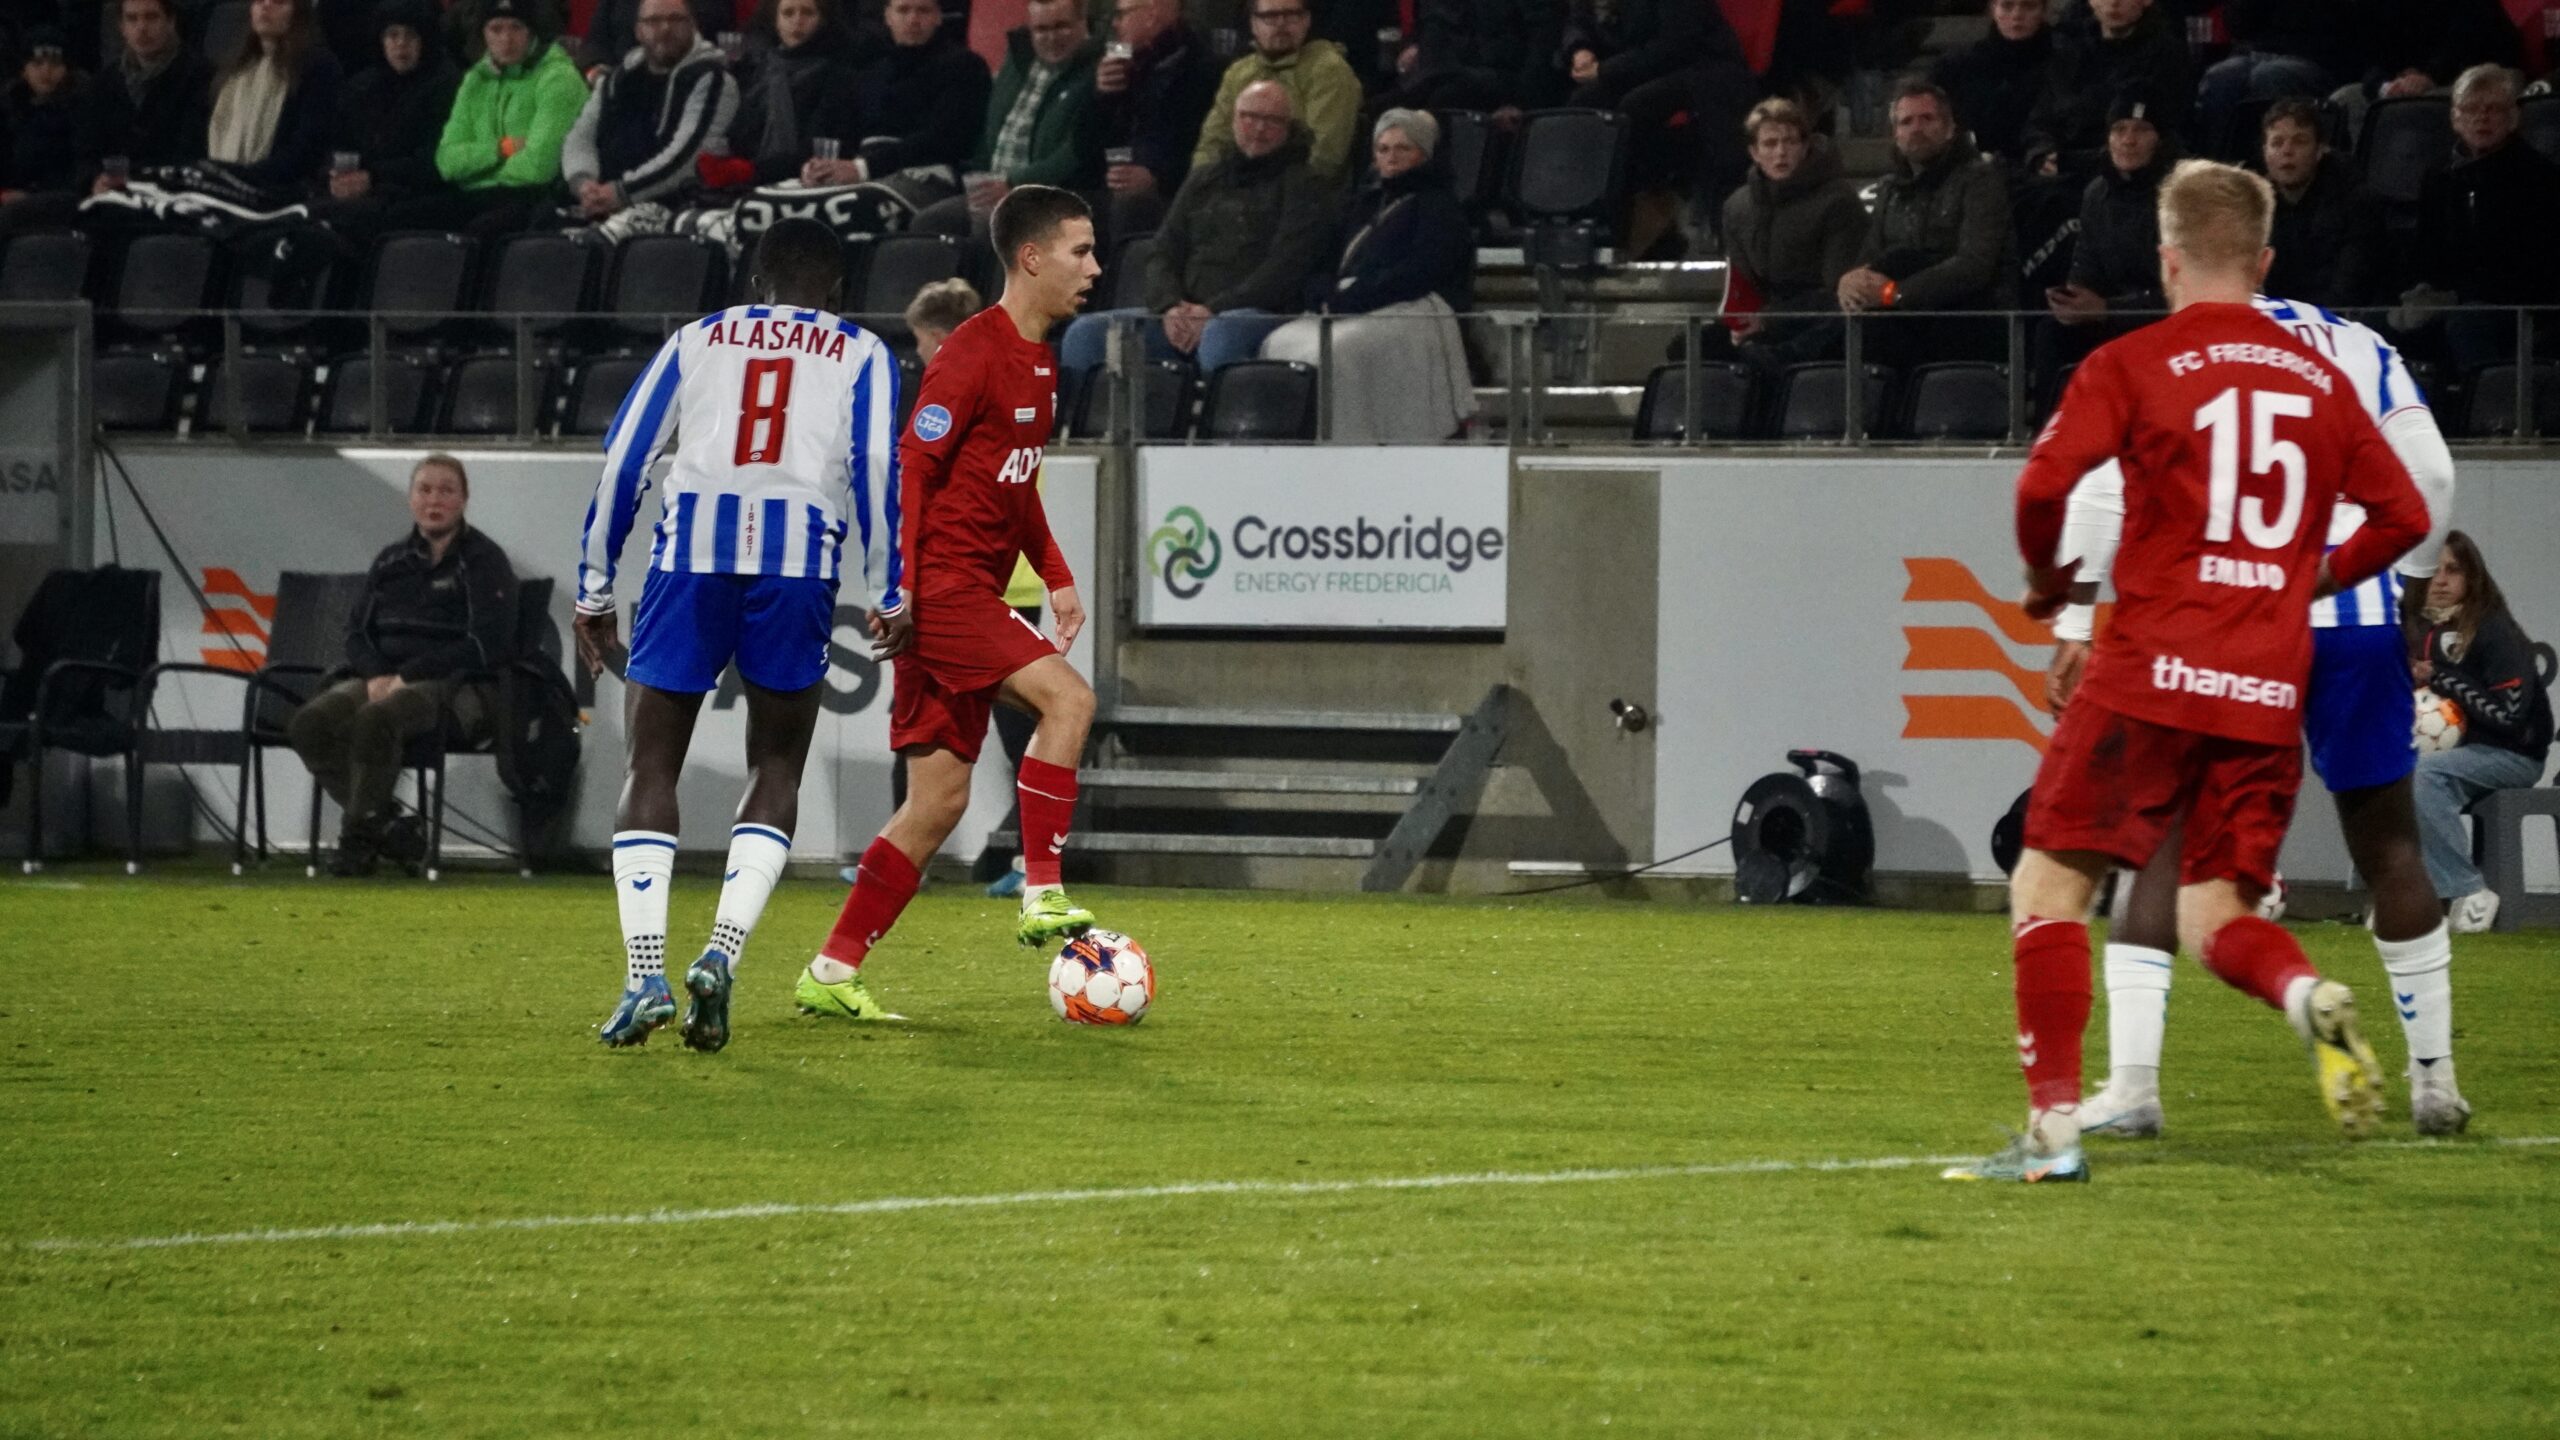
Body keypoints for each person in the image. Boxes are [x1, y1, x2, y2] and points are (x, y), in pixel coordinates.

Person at [1945, 159, 2432, 1184]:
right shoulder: (2322, 381)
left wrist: (2050, 582)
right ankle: (2305, 996)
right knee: (2217, 914)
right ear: (2263, 261)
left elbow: (2044, 484)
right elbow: (2406, 513)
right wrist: (2310, 577)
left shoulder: (2133, 361)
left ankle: (2051, 1134)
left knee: (2047, 883)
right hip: (2264, 686)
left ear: (2165, 260)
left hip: (2150, 673)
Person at [2051, 295, 2468, 1139]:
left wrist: (2074, 620)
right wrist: (2412, 594)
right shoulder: (2356, 343)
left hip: (2219, 614)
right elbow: (2433, 479)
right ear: (2265, 260)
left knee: (2158, 841)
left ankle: (2133, 1088)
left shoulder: (2170, 349)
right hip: (2352, 612)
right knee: (2390, 846)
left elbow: (2100, 488)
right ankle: (2436, 1085)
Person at [573, 217, 903, 1052]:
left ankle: (644, 974)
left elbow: (626, 461)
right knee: (777, 764)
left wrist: (594, 586)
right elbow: (876, 470)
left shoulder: (697, 338)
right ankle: (720, 954)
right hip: (797, 564)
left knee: (651, 764)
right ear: (837, 291)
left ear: (756, 282)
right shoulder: (862, 352)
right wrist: (890, 589)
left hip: (689, 557)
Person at [799, 184, 1104, 1023]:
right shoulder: (973, 351)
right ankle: (1042, 889)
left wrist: (1056, 572)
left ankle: (831, 969)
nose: (1094, 268)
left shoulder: (1040, 359)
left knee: (936, 802)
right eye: (1080, 251)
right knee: (1070, 701)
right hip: (943, 590)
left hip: (967, 589)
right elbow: (913, 467)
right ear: (1031, 258)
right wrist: (898, 588)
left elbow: (1016, 483)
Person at [290, 454, 518, 879]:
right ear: (411, 499)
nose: (435, 500)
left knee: (377, 718)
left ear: (464, 499)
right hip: (380, 676)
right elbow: (356, 633)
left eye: (446, 491)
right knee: (310, 723)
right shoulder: (389, 561)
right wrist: (377, 674)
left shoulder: (485, 561)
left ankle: (357, 840)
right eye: (425, 490)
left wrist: (408, 676)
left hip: (452, 685)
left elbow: (488, 644)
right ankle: (384, 824)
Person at [1057, 79, 1336, 381]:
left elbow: (1284, 269)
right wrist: (1170, 307)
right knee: (1086, 334)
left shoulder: (1305, 186)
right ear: (1234, 120)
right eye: (1249, 117)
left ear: (1289, 128)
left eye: (1271, 120)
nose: (1258, 128)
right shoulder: (1204, 179)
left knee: (1220, 334)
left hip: (1257, 312)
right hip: (1182, 313)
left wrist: (1212, 310)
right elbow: (1163, 250)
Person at [1260, 108, 1475, 443]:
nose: (1391, 157)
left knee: (1336, 352)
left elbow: (1421, 271)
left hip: (1413, 308)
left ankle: (1349, 441)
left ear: (1423, 153)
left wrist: (1355, 297)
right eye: (1383, 148)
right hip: (1348, 302)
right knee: (1280, 342)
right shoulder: (1361, 203)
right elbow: (1325, 260)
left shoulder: (1439, 206)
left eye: (1403, 148)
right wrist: (1322, 291)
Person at [2409, 531, 2554, 933]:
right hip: (2458, 755)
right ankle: (2404, 894)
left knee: (2426, 775)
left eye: (2452, 570)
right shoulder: (2418, 629)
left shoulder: (2494, 629)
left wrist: (2441, 678)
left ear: (2472, 577)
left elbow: (2510, 717)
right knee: (2381, 774)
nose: (2440, 581)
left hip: (2513, 755)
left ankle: (2468, 891)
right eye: (2433, 571)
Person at [1836, 80, 2014, 370]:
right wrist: (1849, 281)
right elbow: (1869, 259)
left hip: (1969, 315)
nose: (1916, 128)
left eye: (1927, 119)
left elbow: (1975, 265)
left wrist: (1895, 293)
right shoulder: (1890, 188)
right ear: (1895, 134)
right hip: (1903, 316)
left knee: (1899, 265)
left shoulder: (1980, 179)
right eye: (1906, 122)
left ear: (1950, 128)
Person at [2398, 64, 2560, 375]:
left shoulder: (2538, 178)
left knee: (2467, 323)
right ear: (2455, 118)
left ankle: (2484, 404)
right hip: (2449, 298)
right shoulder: (2438, 175)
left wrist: (2458, 296)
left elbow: (2536, 267)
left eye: (2493, 109)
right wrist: (2420, 292)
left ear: (2513, 118)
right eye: (2471, 108)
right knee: (2379, 325)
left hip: (2517, 305)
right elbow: (2426, 251)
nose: (2481, 118)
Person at [1557, 0, 1754, 253]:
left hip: (1701, 66)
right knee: (1582, 106)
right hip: (1639, 66)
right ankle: (1594, 224)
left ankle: (1658, 206)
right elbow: (1578, 19)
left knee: (1634, 109)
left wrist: (1606, 70)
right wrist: (1579, 48)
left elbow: (1675, 46)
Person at [911, 0, 1102, 240]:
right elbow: (991, 129)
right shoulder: (1018, 60)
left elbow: (1075, 152)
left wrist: (1014, 182)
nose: (1051, 37)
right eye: (1041, 29)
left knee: (992, 231)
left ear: (1083, 22)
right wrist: (977, 175)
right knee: (930, 223)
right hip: (995, 188)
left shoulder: (1098, 73)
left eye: (1061, 26)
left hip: (1049, 195)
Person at [407, 0, 589, 237]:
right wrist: (501, 149)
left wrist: (478, 172)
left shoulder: (558, 78)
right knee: (403, 218)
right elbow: (447, 161)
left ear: (531, 32)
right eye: (496, 29)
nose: (506, 39)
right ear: (483, 34)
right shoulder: (476, 79)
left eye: (515, 27)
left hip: (534, 197)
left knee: (475, 234)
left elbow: (539, 168)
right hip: (477, 193)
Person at [2035, 86, 2174, 386]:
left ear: (2160, 139)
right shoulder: (2097, 193)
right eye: (2119, 129)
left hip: (2166, 320)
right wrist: (2073, 299)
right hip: (2112, 316)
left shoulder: (2183, 194)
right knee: (2052, 331)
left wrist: (2108, 309)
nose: (2128, 140)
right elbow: (2086, 267)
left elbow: (2184, 291)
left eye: (2141, 129)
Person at [559, 0, 737, 232]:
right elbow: (580, 135)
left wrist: (618, 193)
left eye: (675, 19)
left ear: (693, 26)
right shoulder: (618, 78)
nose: (665, 28)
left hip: (671, 208)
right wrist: (583, 183)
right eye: (653, 21)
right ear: (638, 31)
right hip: (600, 201)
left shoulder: (713, 80)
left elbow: (687, 159)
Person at [1717, 95, 1865, 372]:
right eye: (1770, 144)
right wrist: (1742, 321)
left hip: (1821, 315)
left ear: (1805, 146)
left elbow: (1837, 290)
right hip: (1767, 314)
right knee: (1689, 347)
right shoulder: (1737, 207)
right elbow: (1743, 283)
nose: (1781, 152)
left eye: (1790, 142)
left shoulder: (1838, 200)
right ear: (1754, 152)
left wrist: (1768, 319)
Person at [798, 0, 989, 185]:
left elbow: (945, 138)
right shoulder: (866, 66)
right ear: (888, 16)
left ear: (938, 16)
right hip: (860, 170)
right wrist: (817, 167)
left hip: (928, 174)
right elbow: (835, 129)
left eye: (923, 10)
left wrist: (863, 168)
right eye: (903, 10)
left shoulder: (964, 66)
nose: (913, 20)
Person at [1190, 0, 1360, 186]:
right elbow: (1212, 143)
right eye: (1270, 16)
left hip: (1300, 193)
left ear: (1307, 20)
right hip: (1231, 186)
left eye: (1291, 15)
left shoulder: (1328, 70)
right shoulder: (1238, 72)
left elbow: (1324, 158)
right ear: (1253, 24)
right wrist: (1201, 187)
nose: (1281, 24)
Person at [1090, 0, 1220, 240]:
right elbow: (1087, 145)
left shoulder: (1199, 67)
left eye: (1121, 14)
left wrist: (1157, 178)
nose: (1115, 24)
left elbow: (1200, 145)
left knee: (1128, 206)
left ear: (1150, 15)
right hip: (1113, 175)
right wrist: (1102, 95)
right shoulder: (1124, 60)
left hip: (1170, 189)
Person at [2023, 0, 2190, 182]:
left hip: (2125, 176)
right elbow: (2041, 116)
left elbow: (2156, 136)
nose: (2114, 3)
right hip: (2057, 171)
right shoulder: (2069, 48)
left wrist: (2069, 162)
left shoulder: (2165, 56)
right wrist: (2042, 153)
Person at [324, 0, 461, 212]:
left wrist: (373, 176)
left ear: (425, 40)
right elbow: (340, 141)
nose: (401, 44)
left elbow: (434, 159)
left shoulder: (447, 85)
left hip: (418, 196)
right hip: (362, 191)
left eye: (410, 35)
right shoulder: (362, 86)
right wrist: (337, 172)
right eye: (392, 35)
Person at [707, 0, 859, 188]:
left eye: (807, 13)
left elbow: (819, 147)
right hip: (747, 181)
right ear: (776, 22)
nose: (797, 21)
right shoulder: (757, 70)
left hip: (804, 183)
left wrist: (750, 171)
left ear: (822, 20)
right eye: (788, 13)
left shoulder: (838, 75)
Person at [203, 0, 344, 194]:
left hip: (281, 191)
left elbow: (307, 149)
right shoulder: (235, 68)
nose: (266, 5)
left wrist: (240, 176)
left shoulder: (318, 66)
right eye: (259, 1)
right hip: (224, 185)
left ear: (298, 12)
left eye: (279, 2)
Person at [2257, 98, 2383, 311]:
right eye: (2277, 143)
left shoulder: (2356, 202)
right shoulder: (2256, 205)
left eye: (2299, 141)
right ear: (2265, 152)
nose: (2287, 151)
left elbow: (2349, 291)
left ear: (2320, 150)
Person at [2196, 0, 2358, 160]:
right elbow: (2237, 25)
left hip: (2316, 58)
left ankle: (2266, 167)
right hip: (2258, 52)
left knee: (2268, 76)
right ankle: (2216, 166)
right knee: (2222, 76)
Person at [1932, 0, 2057, 170]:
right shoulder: (1955, 67)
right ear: (1993, 9)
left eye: (2029, 6)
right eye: (2007, 6)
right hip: (1972, 170)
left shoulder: (2067, 63)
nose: (2017, 15)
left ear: (2043, 11)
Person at [1380, 0, 1565, 115]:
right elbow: (1433, 31)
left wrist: (1521, 103)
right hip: (1448, 74)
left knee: (1445, 98)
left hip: (1504, 79)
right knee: (1383, 108)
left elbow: (1542, 44)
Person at [0, 29, 85, 205]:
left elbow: (79, 169)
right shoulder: (9, 108)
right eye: (37, 63)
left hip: (59, 201)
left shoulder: (81, 111)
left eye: (55, 64)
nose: (46, 70)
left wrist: (32, 195)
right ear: (24, 70)